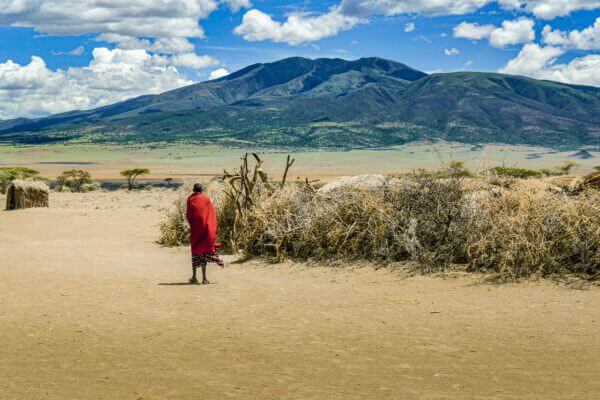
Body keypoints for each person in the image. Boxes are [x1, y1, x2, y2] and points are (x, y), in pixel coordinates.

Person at [186, 183, 224, 284]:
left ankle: (194, 277)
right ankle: (204, 278)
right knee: (203, 253)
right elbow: (211, 214)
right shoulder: (206, 199)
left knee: (195, 252)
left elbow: (189, 215)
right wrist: (211, 227)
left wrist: (193, 225)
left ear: (193, 190)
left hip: (195, 230)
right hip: (206, 229)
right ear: (201, 190)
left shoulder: (190, 199)